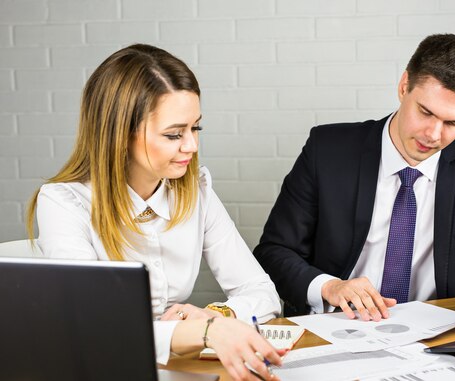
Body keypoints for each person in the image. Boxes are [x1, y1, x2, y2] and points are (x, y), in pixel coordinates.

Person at [26, 44, 284, 381]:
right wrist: (206, 331)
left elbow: (262, 293)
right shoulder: (63, 203)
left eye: (196, 129)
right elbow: (93, 327)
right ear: (120, 135)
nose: (191, 146)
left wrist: (216, 315)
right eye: (174, 134)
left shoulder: (197, 190)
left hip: (176, 367)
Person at [253, 34, 455, 321]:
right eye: (425, 112)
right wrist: (330, 287)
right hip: (337, 328)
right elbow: (274, 252)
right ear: (404, 85)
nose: (434, 135)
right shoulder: (328, 150)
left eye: (454, 122)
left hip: (438, 340)